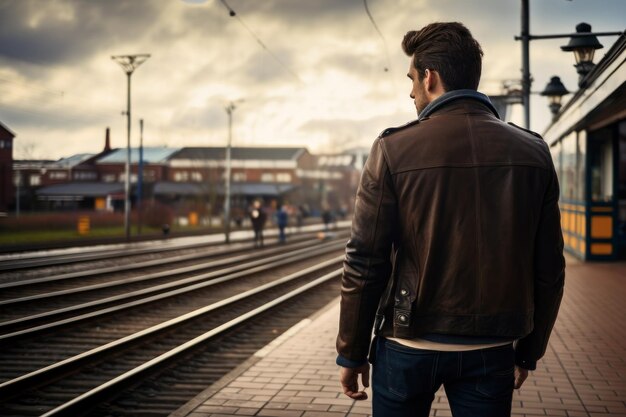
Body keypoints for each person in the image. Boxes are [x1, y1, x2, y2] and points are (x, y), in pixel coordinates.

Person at [336, 22, 565, 417]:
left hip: (407, 345)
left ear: (430, 77)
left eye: (412, 79)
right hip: (491, 349)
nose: (410, 92)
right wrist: (529, 352)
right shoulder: (533, 152)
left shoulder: (393, 149)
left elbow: (365, 260)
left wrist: (352, 353)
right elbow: (549, 267)